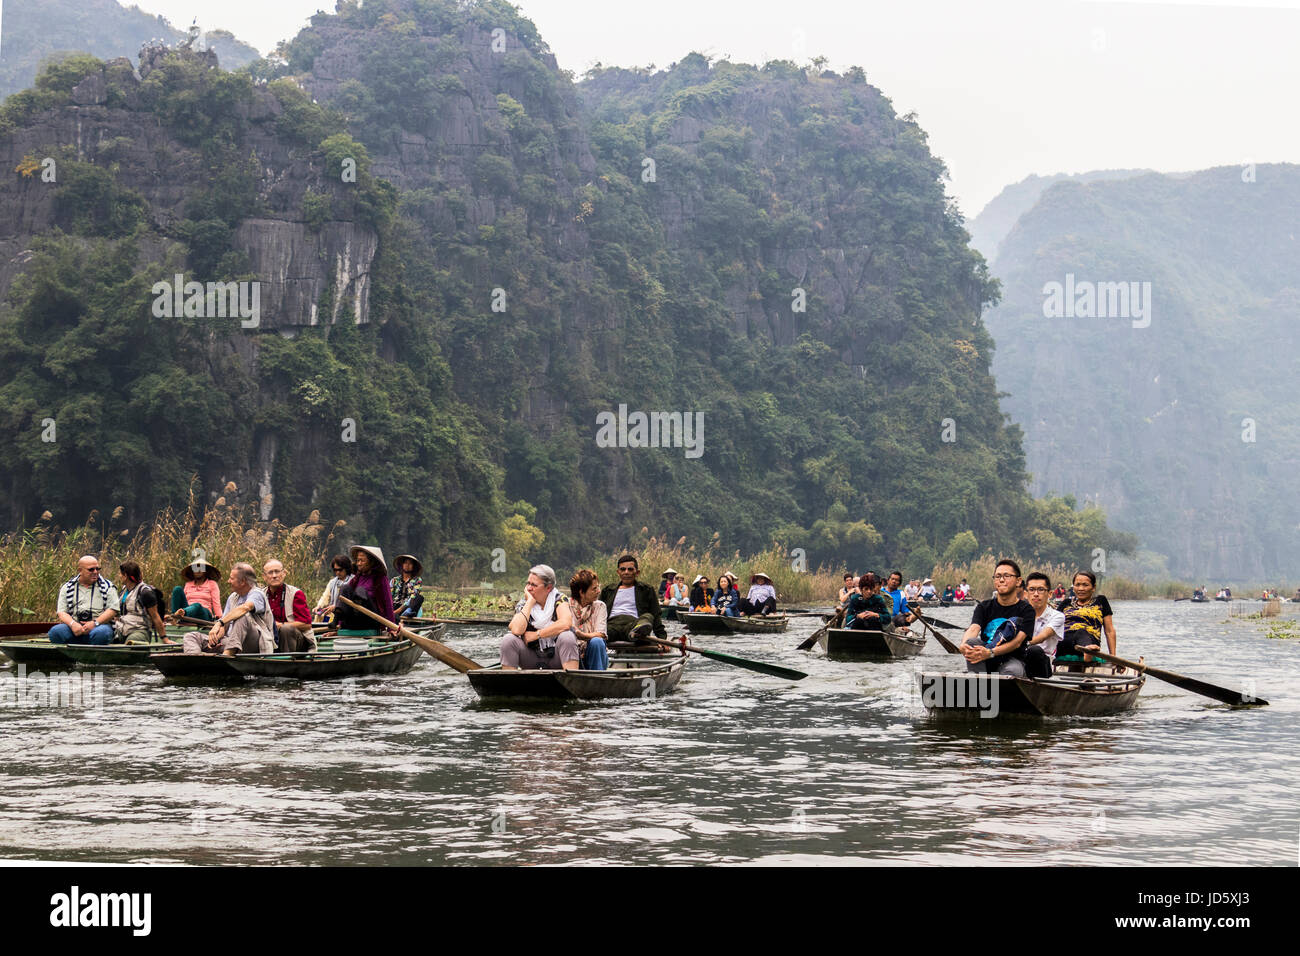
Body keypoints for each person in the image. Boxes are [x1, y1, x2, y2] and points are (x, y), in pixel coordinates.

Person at [960, 559, 1035, 676]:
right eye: (998, 576)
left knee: (1011, 671)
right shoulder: (984, 607)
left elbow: (1017, 642)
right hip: (985, 655)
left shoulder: (1026, 610)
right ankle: (979, 686)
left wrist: (990, 653)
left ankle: (992, 687)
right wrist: (963, 645)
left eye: (1007, 576)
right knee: (971, 642)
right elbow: (974, 628)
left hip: (1012, 658)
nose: (1001, 580)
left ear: (1018, 581)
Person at [183, 563, 275, 656]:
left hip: (252, 644)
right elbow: (225, 625)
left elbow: (245, 608)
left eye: (231, 578)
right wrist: (216, 638)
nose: (228, 581)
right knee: (191, 636)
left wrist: (219, 623)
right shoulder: (233, 597)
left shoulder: (257, 594)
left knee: (242, 617)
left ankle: (226, 657)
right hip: (230, 641)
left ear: (242, 581)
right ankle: (195, 660)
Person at [500, 565, 579, 670]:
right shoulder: (524, 603)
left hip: (556, 656)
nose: (528, 588)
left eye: (534, 585)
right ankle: (510, 682)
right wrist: (530, 602)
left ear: (548, 588)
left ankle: (571, 681)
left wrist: (536, 635)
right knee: (508, 640)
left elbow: (565, 623)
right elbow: (516, 629)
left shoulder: (559, 599)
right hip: (532, 656)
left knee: (567, 636)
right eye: (528, 583)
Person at [49, 555, 119, 645]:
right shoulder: (68, 587)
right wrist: (72, 624)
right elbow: (61, 612)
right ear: (80, 570)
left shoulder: (108, 587)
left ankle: (92, 655)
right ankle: (71, 655)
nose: (95, 572)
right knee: (56, 632)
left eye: (97, 569)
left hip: (99, 626)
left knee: (101, 634)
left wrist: (94, 623)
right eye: (91, 569)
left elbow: (113, 610)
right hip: (75, 626)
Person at [599, 554, 667, 642]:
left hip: (633, 625)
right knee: (602, 633)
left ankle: (637, 634)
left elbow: (656, 615)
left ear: (637, 572)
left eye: (630, 569)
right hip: (611, 626)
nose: (626, 572)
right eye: (623, 569)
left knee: (648, 616)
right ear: (618, 572)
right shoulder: (608, 590)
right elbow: (598, 613)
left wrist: (662, 640)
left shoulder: (646, 590)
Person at [1054, 570, 1116, 660]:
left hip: (1089, 641)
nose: (1081, 589)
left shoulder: (1100, 601)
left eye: (1085, 585)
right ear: (1073, 587)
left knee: (1081, 632)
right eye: (1077, 585)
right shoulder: (1066, 603)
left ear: (1093, 587)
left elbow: (1109, 631)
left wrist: (1113, 657)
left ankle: (1087, 651)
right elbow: (1053, 626)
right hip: (1066, 643)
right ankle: (1087, 651)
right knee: (1063, 637)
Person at [334, 545, 397, 632]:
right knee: (345, 588)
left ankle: (358, 607)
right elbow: (344, 599)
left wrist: (392, 628)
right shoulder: (356, 578)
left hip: (371, 621)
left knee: (360, 590)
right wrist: (339, 627)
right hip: (354, 621)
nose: (358, 563)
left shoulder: (380, 578)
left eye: (362, 561)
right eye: (358, 560)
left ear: (371, 562)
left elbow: (388, 604)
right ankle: (335, 619)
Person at [263, 559, 315, 652]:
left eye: (277, 571)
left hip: (296, 642)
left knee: (286, 629)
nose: (274, 576)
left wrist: (280, 625)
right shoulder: (260, 595)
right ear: (264, 577)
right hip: (269, 638)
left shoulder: (295, 593)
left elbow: (307, 625)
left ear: (284, 573)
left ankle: (287, 661)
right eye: (270, 573)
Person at [1023, 572, 1065, 678]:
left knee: (1034, 651)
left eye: (1041, 590)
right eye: (1031, 590)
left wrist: (1018, 644)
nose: (1036, 594)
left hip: (1042, 663)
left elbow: (1042, 637)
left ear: (1050, 594)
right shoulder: (1019, 615)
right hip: (1020, 659)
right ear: (1025, 594)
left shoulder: (1057, 616)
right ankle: (983, 692)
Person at [114, 561, 168, 643]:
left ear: (125, 576)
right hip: (121, 628)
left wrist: (164, 638)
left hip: (139, 630)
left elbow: (155, 617)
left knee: (131, 642)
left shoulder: (145, 592)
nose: (119, 576)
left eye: (120, 574)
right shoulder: (123, 591)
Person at [569, 569, 608, 671]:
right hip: (573, 654)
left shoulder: (600, 606)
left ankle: (598, 680)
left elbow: (601, 634)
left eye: (598, 587)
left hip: (595, 653)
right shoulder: (565, 605)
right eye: (594, 589)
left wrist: (582, 635)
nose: (598, 591)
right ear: (582, 592)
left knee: (597, 642)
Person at [169, 559, 222, 623]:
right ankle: (174, 616)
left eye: (201, 568)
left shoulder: (212, 584)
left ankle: (181, 613)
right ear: (192, 571)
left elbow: (216, 603)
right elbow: (183, 600)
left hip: (204, 614)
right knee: (177, 589)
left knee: (197, 605)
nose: (198, 570)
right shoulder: (188, 584)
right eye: (195, 568)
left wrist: (220, 618)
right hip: (189, 611)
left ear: (205, 570)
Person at [314, 554, 353, 623]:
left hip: (347, 615)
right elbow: (325, 597)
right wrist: (319, 606)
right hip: (332, 615)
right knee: (321, 618)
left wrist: (336, 607)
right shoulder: (332, 582)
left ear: (346, 568)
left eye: (340, 570)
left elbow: (352, 601)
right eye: (335, 570)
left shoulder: (353, 581)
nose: (337, 572)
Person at [390, 554, 425, 619]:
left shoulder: (417, 580)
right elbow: (389, 596)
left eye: (410, 563)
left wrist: (397, 611)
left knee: (419, 598)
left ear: (413, 567)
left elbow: (413, 597)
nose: (407, 565)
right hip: (394, 606)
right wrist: (390, 611)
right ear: (402, 565)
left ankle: (406, 614)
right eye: (405, 563)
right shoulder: (394, 580)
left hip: (408, 607)